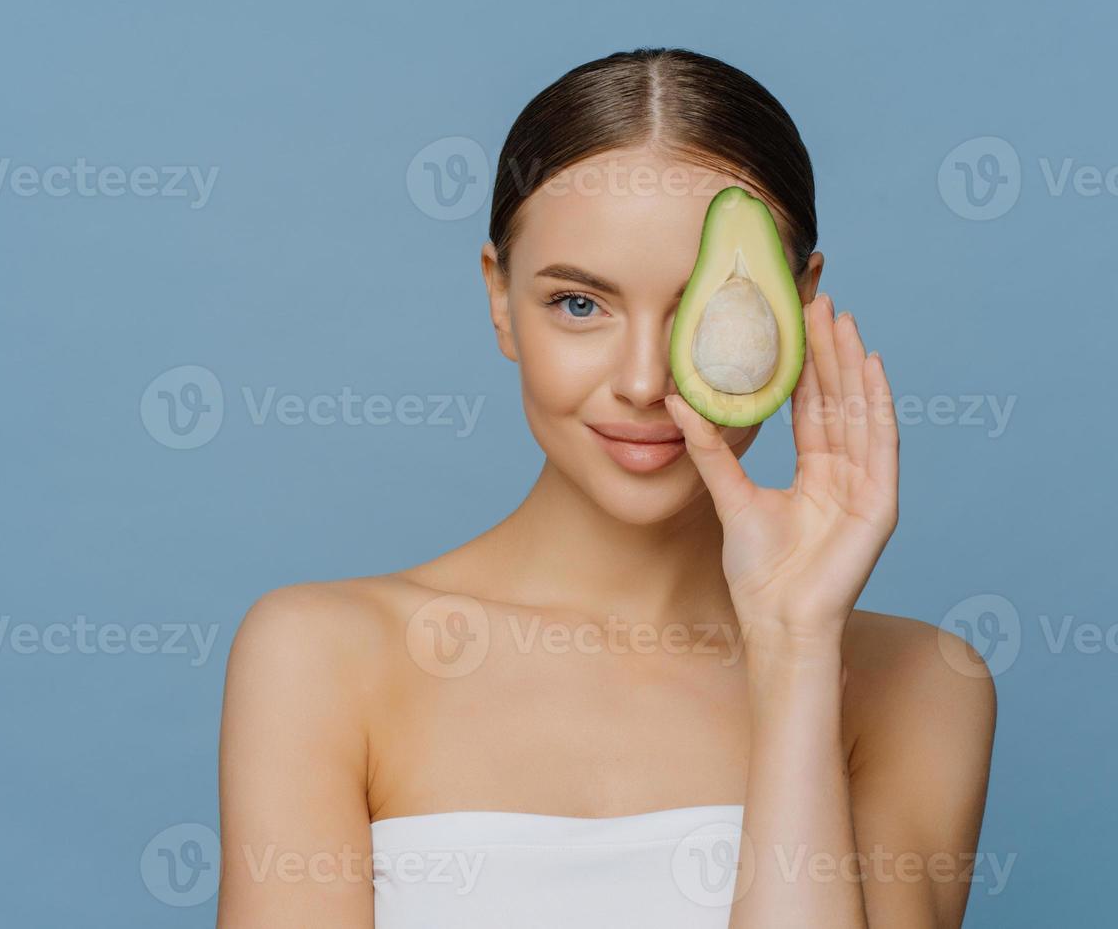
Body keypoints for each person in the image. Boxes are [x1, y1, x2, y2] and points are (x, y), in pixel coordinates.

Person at [216, 46, 997, 928]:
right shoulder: (320, 656)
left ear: (801, 309)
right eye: (579, 304)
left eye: (703, 310)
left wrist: (796, 649)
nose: (639, 381)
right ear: (501, 300)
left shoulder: (923, 686)